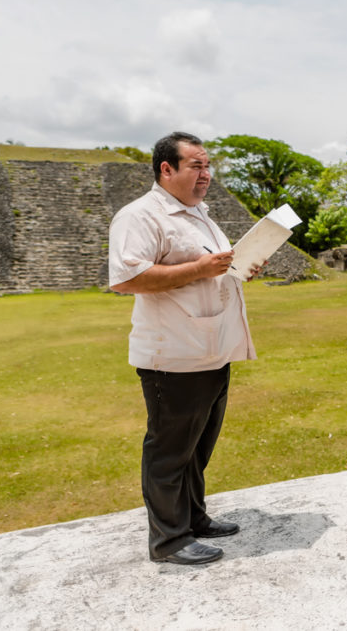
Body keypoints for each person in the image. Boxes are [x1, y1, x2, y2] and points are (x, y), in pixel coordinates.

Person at [109, 131, 262, 565]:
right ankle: (169, 540)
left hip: (211, 347)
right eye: (196, 166)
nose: (206, 175)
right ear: (166, 169)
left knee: (197, 447)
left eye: (208, 166)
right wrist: (200, 268)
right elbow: (125, 278)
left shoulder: (199, 215)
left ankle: (193, 517)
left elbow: (211, 272)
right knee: (169, 450)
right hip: (174, 354)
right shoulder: (141, 216)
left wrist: (240, 266)